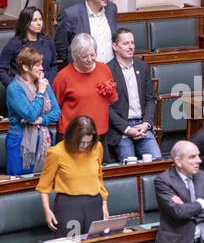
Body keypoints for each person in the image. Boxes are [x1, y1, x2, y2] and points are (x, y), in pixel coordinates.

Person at [36, 116, 109, 238]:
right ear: (72, 137)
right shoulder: (57, 152)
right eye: (82, 142)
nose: (85, 145)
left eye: (88, 142)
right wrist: (47, 210)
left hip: (94, 204)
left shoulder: (97, 147)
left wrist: (104, 203)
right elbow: (44, 185)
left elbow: (98, 177)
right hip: (69, 206)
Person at [52, 33, 118, 163]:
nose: (89, 59)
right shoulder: (63, 77)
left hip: (99, 133)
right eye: (84, 56)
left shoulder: (104, 69)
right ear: (75, 56)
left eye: (92, 55)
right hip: (72, 136)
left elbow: (111, 99)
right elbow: (54, 107)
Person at [154, 141, 204, 243]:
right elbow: (178, 211)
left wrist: (186, 210)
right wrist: (202, 203)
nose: (199, 160)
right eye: (192, 157)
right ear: (178, 161)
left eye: (198, 155)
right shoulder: (163, 181)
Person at [107, 28, 161, 162]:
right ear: (115, 46)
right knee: (130, 165)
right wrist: (126, 129)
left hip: (142, 126)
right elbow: (106, 107)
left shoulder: (142, 67)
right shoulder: (107, 70)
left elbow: (150, 99)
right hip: (121, 130)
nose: (130, 47)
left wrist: (147, 124)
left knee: (157, 162)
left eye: (132, 43)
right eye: (125, 43)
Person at [5, 47, 60, 176]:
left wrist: (41, 120)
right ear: (25, 67)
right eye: (37, 65)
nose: (42, 68)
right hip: (20, 142)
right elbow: (30, 114)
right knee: (21, 184)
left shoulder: (43, 83)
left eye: (41, 64)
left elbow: (56, 112)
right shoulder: (14, 88)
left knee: (43, 181)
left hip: (44, 140)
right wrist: (40, 93)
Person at [54, 0, 118, 64]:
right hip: (84, 71)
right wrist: (77, 65)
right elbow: (60, 46)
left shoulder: (112, 9)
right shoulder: (70, 15)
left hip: (110, 69)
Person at [0, 6, 58, 88]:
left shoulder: (48, 41)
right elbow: (1, 69)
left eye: (40, 19)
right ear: (25, 23)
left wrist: (48, 82)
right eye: (35, 20)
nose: (39, 23)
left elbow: (54, 66)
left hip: (45, 86)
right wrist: (13, 88)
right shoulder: (14, 43)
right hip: (22, 89)